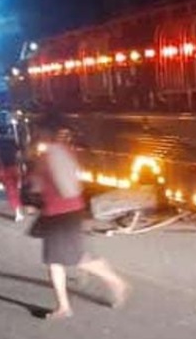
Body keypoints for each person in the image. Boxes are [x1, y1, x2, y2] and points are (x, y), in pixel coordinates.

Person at [30, 118, 127, 318]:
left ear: (45, 133)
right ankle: (64, 306)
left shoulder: (50, 155)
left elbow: (50, 186)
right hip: (68, 211)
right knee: (62, 259)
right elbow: (74, 182)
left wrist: (38, 181)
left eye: (37, 131)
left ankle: (114, 282)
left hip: (60, 214)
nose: (35, 135)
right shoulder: (65, 151)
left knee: (68, 259)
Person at [0, 131, 25, 222]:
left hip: (4, 170)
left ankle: (18, 213)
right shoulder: (12, 141)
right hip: (14, 168)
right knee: (17, 189)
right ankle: (20, 207)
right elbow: (19, 153)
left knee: (11, 191)